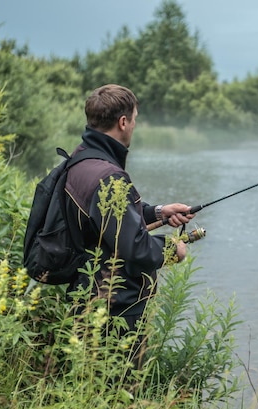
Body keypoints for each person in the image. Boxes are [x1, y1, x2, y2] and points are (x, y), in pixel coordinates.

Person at [64, 84, 194, 345]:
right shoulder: (109, 177)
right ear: (123, 122)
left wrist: (157, 212)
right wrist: (173, 249)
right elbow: (134, 248)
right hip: (115, 307)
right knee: (122, 384)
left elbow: (106, 220)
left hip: (87, 295)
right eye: (134, 119)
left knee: (90, 382)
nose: (135, 125)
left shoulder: (80, 160)